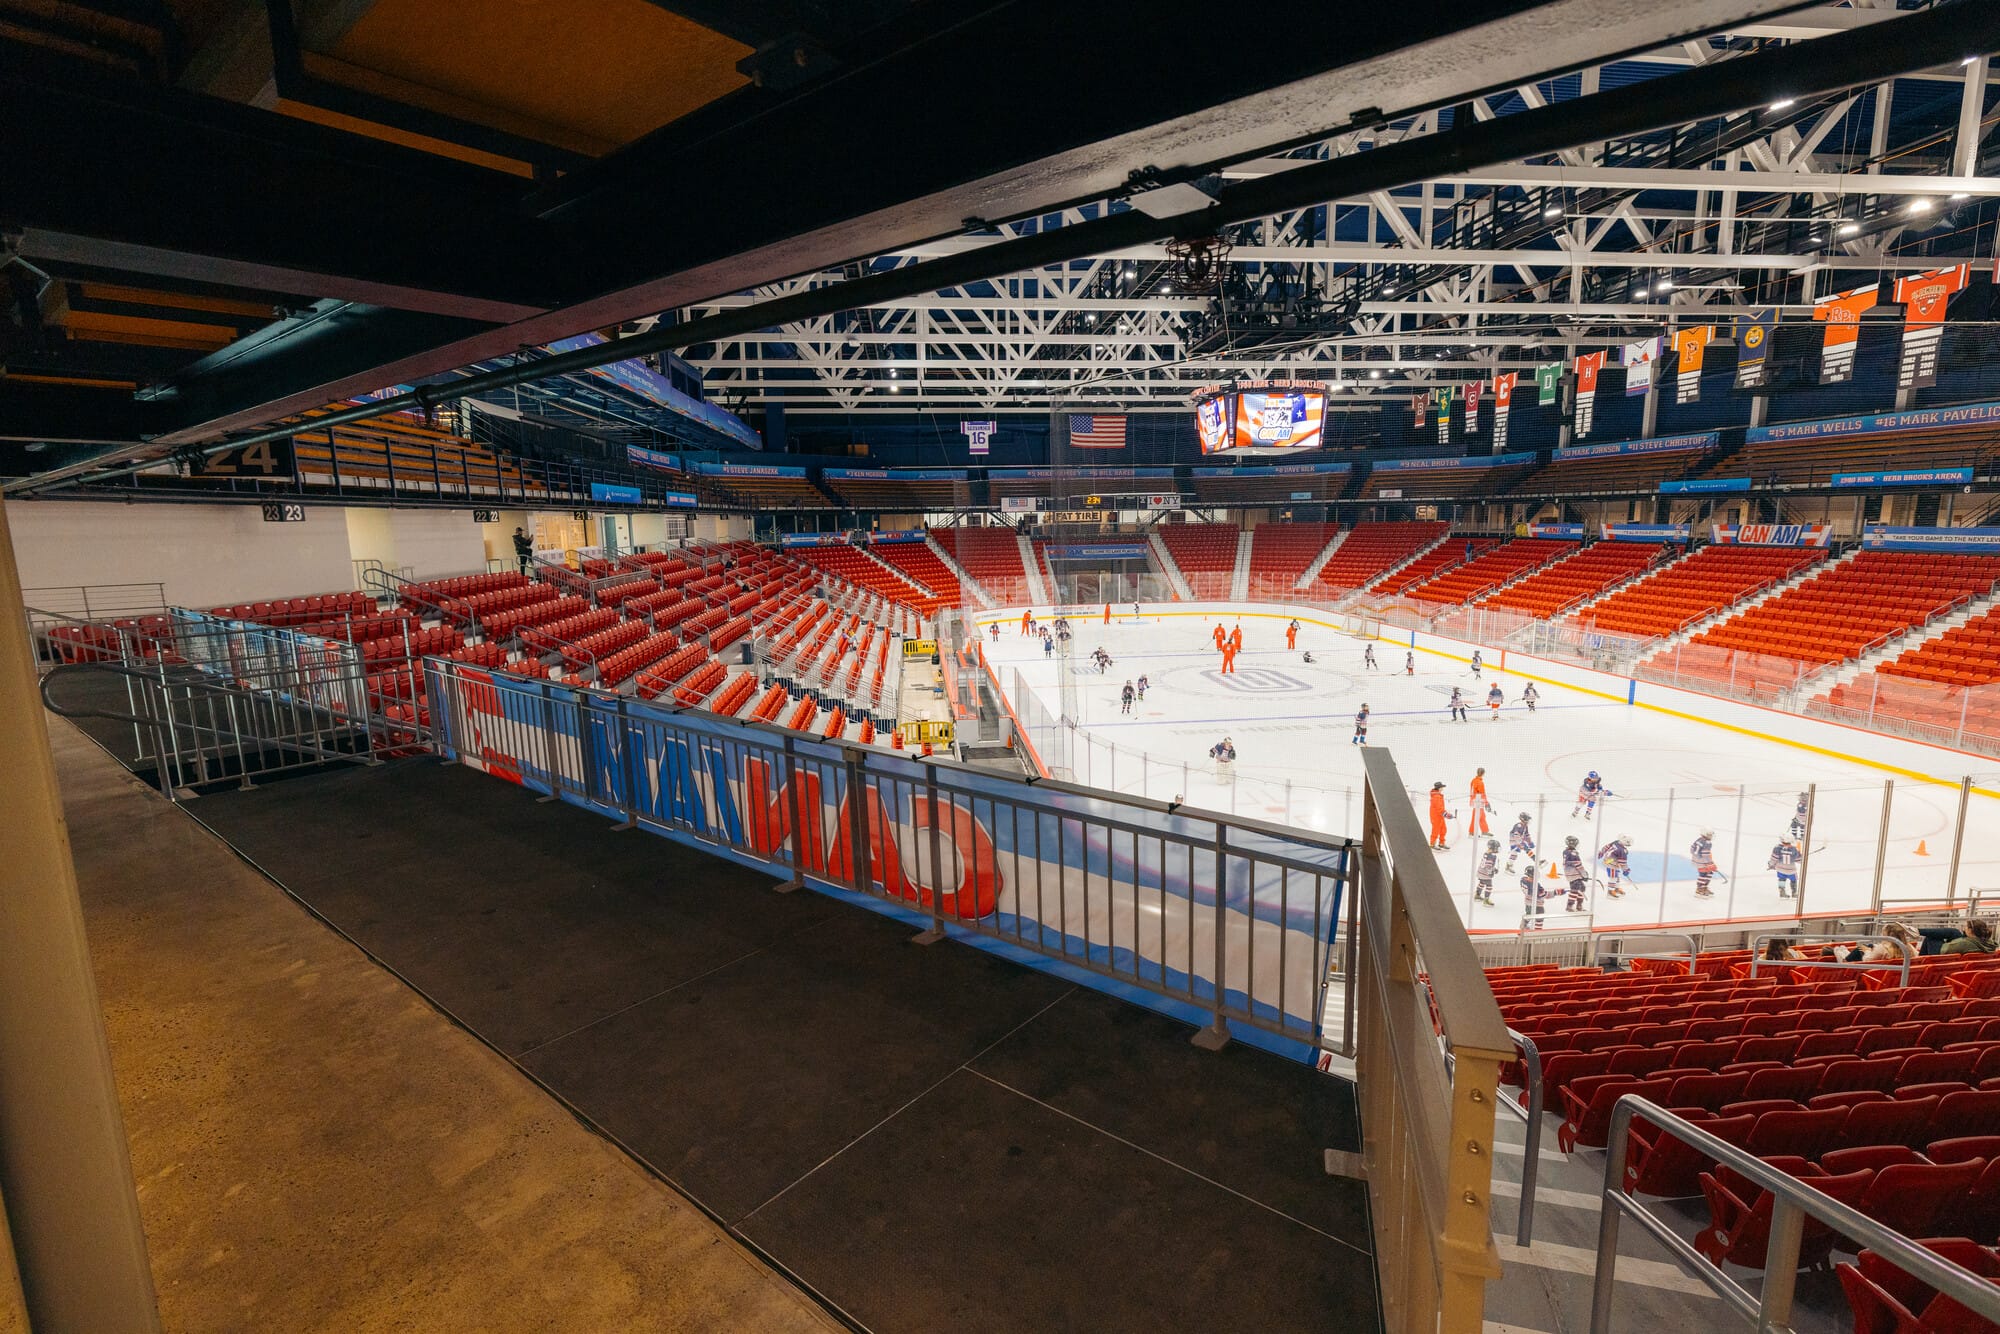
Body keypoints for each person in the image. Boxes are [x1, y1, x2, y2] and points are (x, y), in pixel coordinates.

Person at [1598, 834, 1633, 898]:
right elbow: (1623, 863)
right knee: (1613, 877)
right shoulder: (1622, 851)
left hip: (1607, 861)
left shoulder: (1616, 842)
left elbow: (1606, 846)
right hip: (1611, 864)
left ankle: (1616, 888)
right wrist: (1626, 870)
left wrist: (1601, 853)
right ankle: (1610, 892)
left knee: (1616, 876)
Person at [1521, 860, 1551, 931]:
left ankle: (1523, 926)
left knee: (1529, 914)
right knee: (1540, 916)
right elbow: (1543, 894)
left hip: (1528, 902)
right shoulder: (1534, 885)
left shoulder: (1523, 880)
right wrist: (1557, 892)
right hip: (1536, 904)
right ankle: (1538, 930)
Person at [1561, 836, 1589, 912]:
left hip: (1570, 874)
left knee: (1582, 888)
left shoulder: (1566, 851)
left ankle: (1579, 905)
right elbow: (1579, 866)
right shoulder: (1573, 853)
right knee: (1575, 889)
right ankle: (1569, 906)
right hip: (1574, 875)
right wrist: (1584, 875)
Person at [1691, 828, 1719, 899]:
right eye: (1709, 835)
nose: (1711, 836)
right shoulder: (1707, 843)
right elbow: (1705, 855)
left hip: (1698, 861)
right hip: (1702, 862)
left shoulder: (1699, 840)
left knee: (1709, 872)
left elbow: (1691, 849)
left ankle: (1704, 887)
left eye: (1711, 835)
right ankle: (1699, 889)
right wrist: (1711, 864)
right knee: (1704, 874)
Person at [1474, 839, 1499, 905]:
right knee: (1489, 886)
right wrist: (1490, 872)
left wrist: (1493, 869)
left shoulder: (1486, 853)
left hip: (1480, 872)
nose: (1497, 849)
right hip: (1485, 874)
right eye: (1496, 847)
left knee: (1482, 883)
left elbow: (1487, 864)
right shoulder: (1491, 856)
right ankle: (1486, 900)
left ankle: (1477, 895)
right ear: (1493, 848)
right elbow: (1488, 866)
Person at [1467, 767, 1491, 835]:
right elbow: (1482, 793)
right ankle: (1471, 832)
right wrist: (1486, 803)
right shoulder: (1480, 782)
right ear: (1483, 773)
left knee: (1482, 816)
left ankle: (1485, 831)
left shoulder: (1473, 780)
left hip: (1475, 801)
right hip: (1478, 802)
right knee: (1476, 817)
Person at [1428, 781, 1451, 851]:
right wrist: (1446, 814)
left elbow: (1441, 808)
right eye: (1442, 787)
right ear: (1439, 788)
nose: (1443, 789)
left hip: (1440, 816)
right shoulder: (1436, 797)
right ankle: (1432, 843)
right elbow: (1439, 808)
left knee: (1443, 829)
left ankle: (1442, 843)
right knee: (1436, 830)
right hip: (1436, 816)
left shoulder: (1438, 796)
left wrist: (1445, 814)